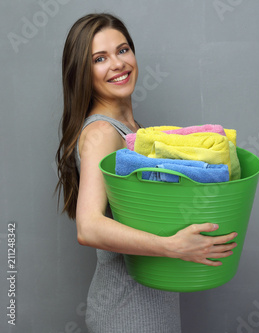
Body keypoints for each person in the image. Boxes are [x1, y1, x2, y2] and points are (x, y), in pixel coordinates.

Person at [55, 13, 238, 332]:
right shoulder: (102, 133)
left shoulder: (136, 133)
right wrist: (174, 246)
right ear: (83, 73)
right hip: (125, 315)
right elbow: (88, 227)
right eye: (100, 58)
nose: (117, 64)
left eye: (122, 50)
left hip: (152, 308)